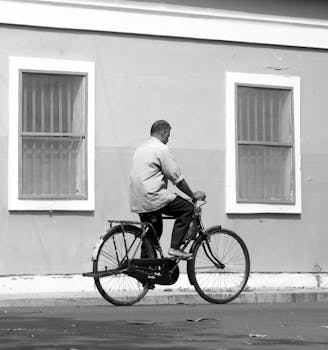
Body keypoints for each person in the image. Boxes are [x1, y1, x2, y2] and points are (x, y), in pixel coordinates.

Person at [130, 120, 206, 259]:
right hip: (154, 197)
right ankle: (175, 248)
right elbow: (177, 178)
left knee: (151, 238)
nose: (168, 139)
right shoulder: (161, 148)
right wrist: (193, 195)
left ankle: (147, 277)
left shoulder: (140, 148)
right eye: (168, 136)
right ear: (164, 132)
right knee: (187, 208)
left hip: (138, 199)